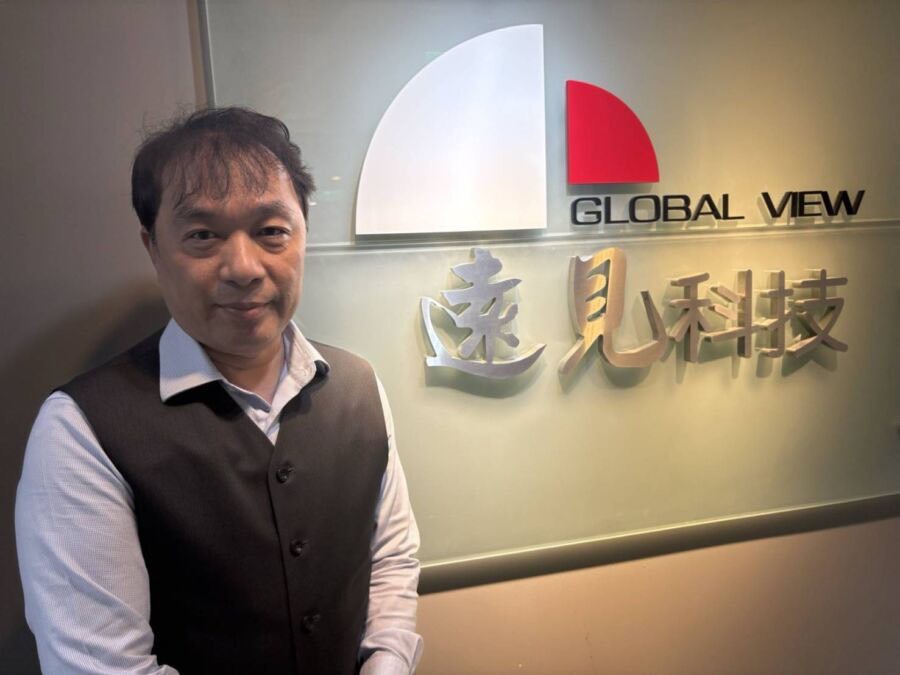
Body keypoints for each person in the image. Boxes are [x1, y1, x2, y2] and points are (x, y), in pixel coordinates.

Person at [15, 107, 423, 674]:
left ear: (304, 234)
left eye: (271, 231)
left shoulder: (358, 387)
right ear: (153, 247)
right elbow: (101, 665)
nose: (244, 267)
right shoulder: (81, 430)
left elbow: (391, 562)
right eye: (203, 235)